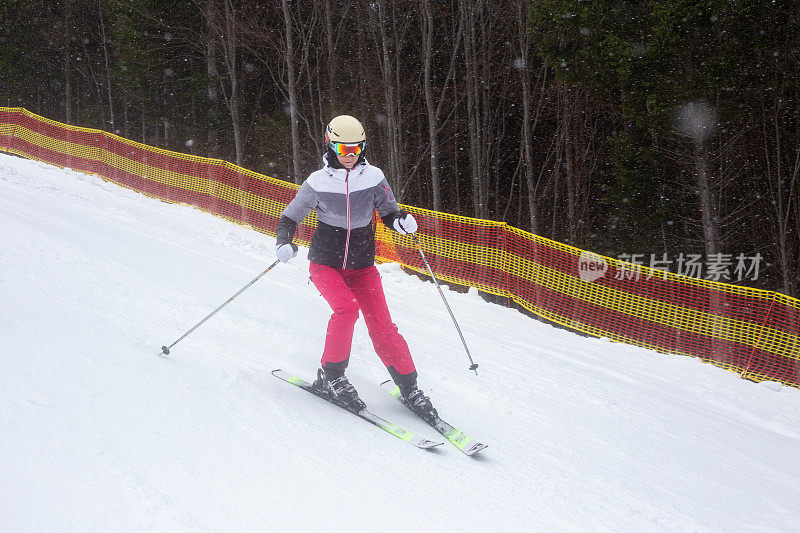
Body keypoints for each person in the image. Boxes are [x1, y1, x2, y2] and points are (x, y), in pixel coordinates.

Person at [274, 115, 437, 421]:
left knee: (382, 325)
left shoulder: (374, 177)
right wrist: (283, 242)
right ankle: (332, 376)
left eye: (356, 149)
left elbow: (389, 211)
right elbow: (289, 218)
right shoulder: (317, 183)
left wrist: (401, 222)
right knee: (346, 310)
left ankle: (410, 387)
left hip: (362, 267)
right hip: (325, 264)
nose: (349, 156)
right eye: (342, 148)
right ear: (330, 145)